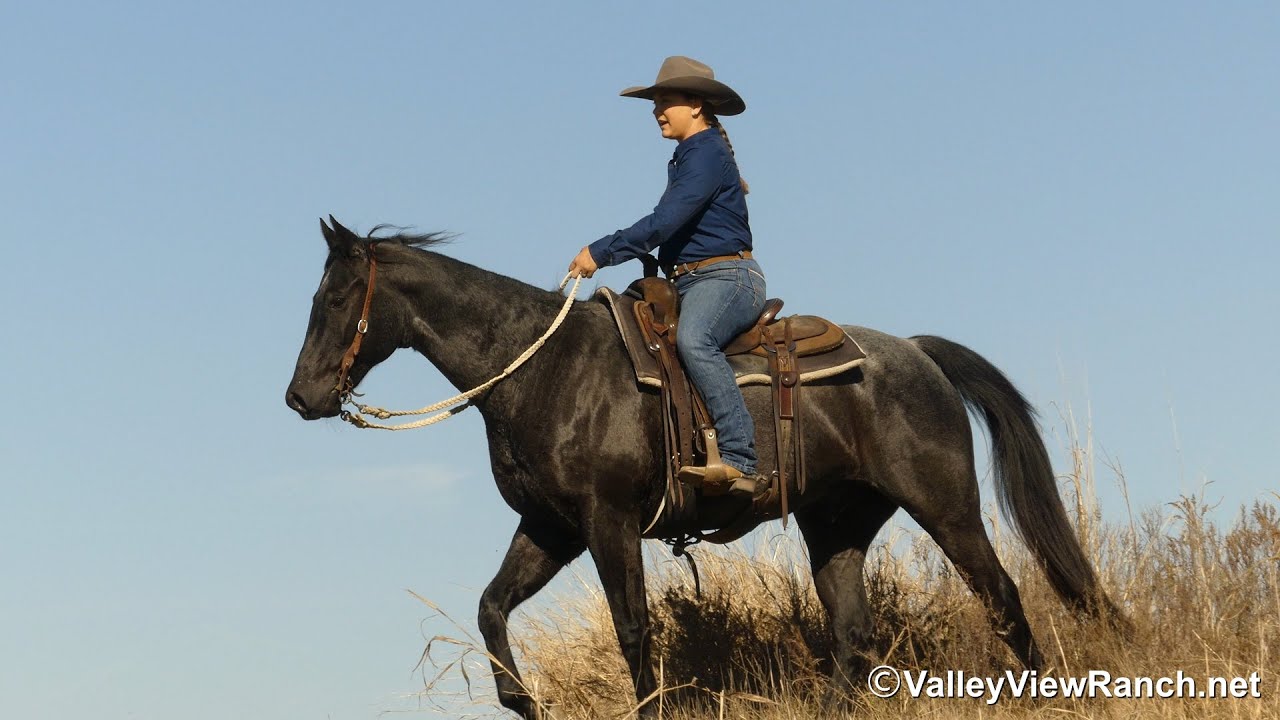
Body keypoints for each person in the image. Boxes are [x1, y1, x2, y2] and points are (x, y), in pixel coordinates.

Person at [568, 56, 768, 499]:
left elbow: (664, 223)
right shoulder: (688, 156)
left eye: (666, 101)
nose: (657, 111)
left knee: (695, 340)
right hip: (691, 281)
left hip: (728, 278)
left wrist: (601, 252)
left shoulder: (706, 154)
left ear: (696, 105)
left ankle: (739, 456)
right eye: (655, 103)